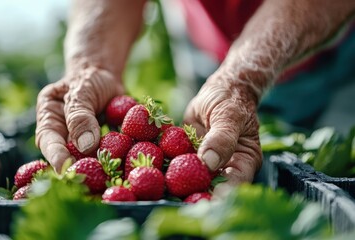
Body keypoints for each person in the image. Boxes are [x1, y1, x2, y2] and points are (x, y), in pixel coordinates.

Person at [35, 0, 355, 197]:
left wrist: (242, 79)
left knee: (332, 157)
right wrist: (92, 65)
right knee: (215, 132)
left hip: (334, 47)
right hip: (205, 37)